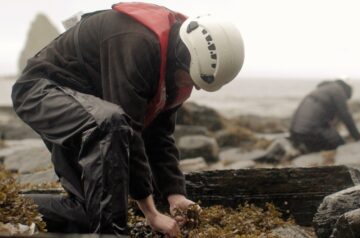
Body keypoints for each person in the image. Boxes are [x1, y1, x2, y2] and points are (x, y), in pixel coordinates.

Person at [11, 2, 244, 236]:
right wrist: (151, 213)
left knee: (89, 212)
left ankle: (6, 208)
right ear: (184, 57)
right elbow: (127, 129)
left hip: (89, 112)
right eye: (193, 80)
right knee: (110, 123)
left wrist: (176, 195)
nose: (194, 88)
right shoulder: (137, 43)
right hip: (40, 93)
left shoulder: (176, 72)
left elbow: (159, 136)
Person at [289, 79, 360, 153]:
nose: (345, 100)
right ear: (347, 90)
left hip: (295, 133)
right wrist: (359, 138)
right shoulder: (338, 90)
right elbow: (346, 116)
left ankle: (304, 147)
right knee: (340, 144)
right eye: (346, 98)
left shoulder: (323, 89)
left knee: (331, 135)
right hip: (309, 133)